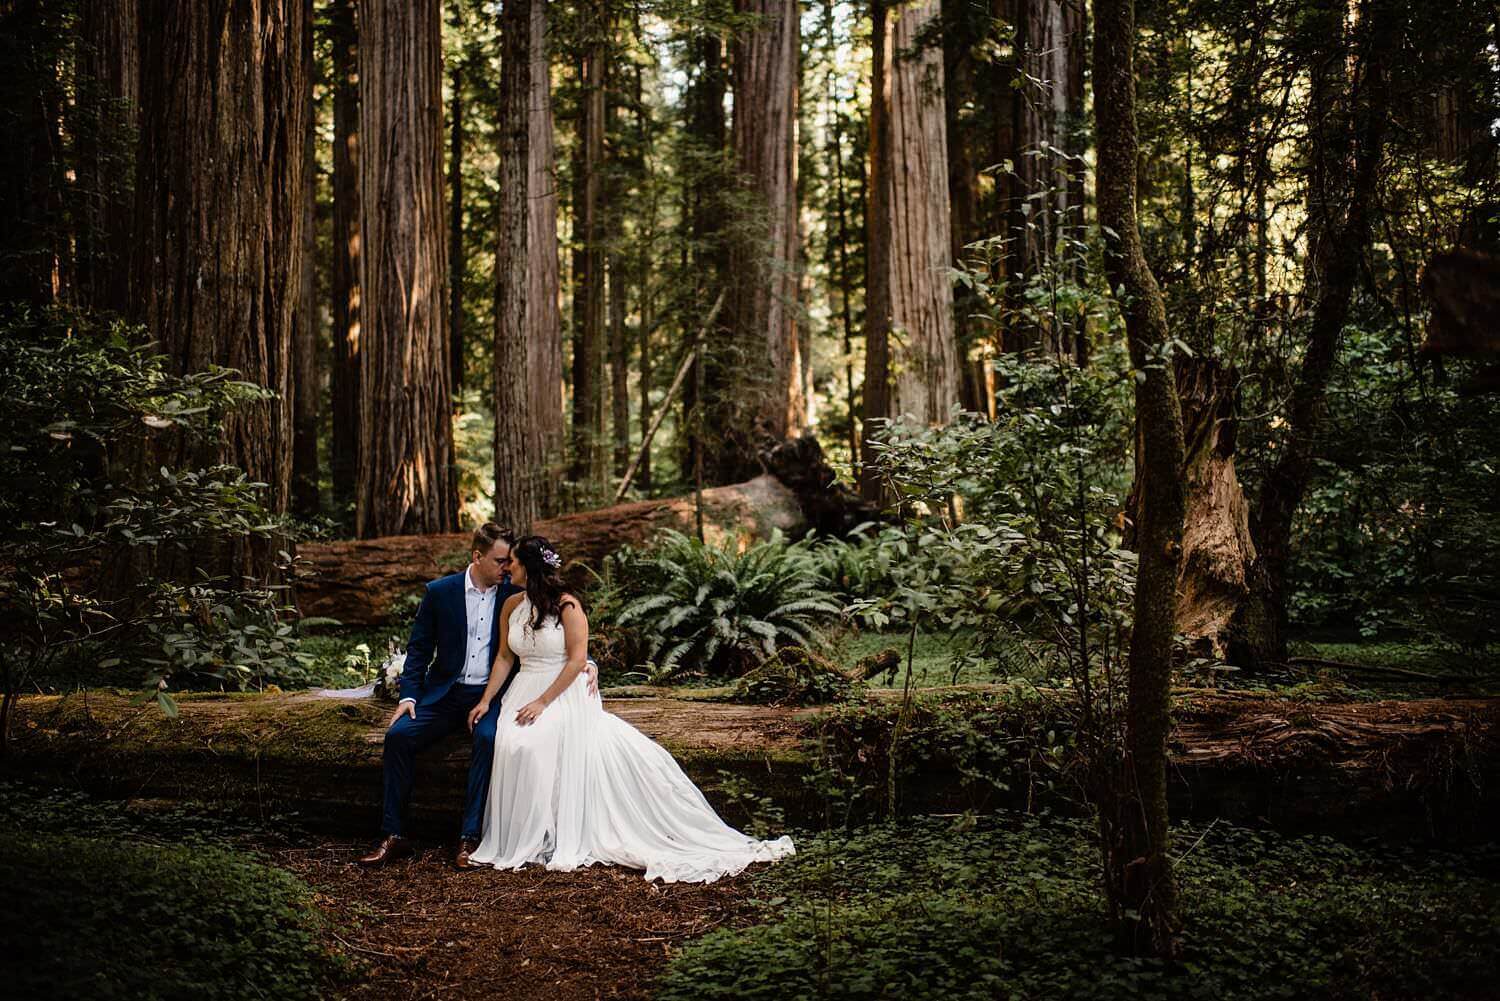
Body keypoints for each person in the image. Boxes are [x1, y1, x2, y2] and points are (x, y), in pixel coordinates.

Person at [466, 535, 794, 882]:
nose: (507, 567)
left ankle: (549, 834)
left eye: (512, 561)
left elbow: (577, 660)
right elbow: (504, 656)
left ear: (529, 567)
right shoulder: (511, 605)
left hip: (562, 693)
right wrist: (487, 700)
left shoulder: (568, 606)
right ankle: (530, 833)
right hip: (523, 689)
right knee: (509, 743)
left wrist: (543, 702)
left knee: (532, 745)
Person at [359, 523, 598, 868]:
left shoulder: (513, 593)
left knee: (489, 741)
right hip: (445, 694)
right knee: (398, 737)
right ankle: (393, 834)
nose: (506, 568)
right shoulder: (440, 593)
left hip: (495, 696)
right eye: (500, 561)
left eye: (510, 562)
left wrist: (587, 662)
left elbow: (553, 631)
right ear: (477, 556)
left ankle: (469, 838)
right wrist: (408, 696)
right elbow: (419, 649)